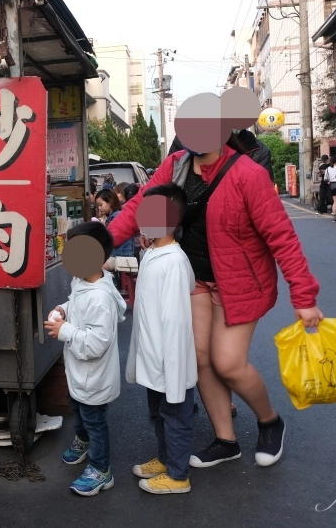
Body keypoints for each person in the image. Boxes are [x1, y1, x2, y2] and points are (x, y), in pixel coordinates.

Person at [107, 139, 322, 469]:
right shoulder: (176, 164)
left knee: (229, 363)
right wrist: (101, 243)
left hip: (240, 282)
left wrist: (304, 296)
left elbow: (282, 235)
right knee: (200, 359)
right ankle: (226, 440)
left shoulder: (248, 174)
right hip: (194, 278)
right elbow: (139, 207)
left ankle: (269, 421)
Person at [44, 222, 127, 496]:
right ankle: (82, 440)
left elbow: (96, 343)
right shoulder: (83, 281)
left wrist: (65, 331)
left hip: (94, 374)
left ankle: (102, 470)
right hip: (79, 371)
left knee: (94, 420)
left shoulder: (101, 298)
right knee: (78, 408)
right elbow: (76, 303)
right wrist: (64, 309)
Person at [127, 183, 198, 495]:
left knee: (176, 416)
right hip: (154, 355)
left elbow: (177, 321)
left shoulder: (174, 262)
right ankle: (167, 459)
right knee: (159, 413)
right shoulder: (154, 252)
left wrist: (174, 370)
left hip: (172, 361)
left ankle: (178, 476)